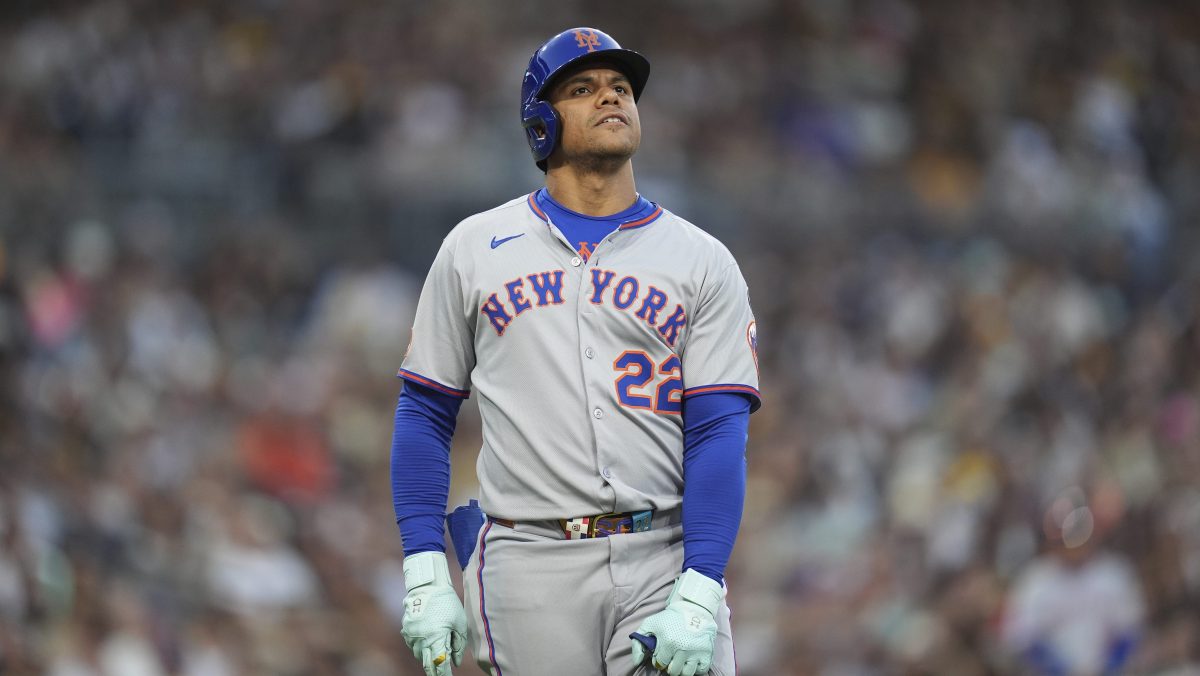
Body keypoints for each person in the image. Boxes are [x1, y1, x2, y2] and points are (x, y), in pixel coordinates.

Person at [391, 27, 761, 676]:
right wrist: (424, 569)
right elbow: (425, 411)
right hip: (528, 563)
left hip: (662, 554)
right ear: (541, 123)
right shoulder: (474, 247)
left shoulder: (703, 260)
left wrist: (702, 585)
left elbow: (717, 432)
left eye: (621, 88)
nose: (611, 97)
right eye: (583, 89)